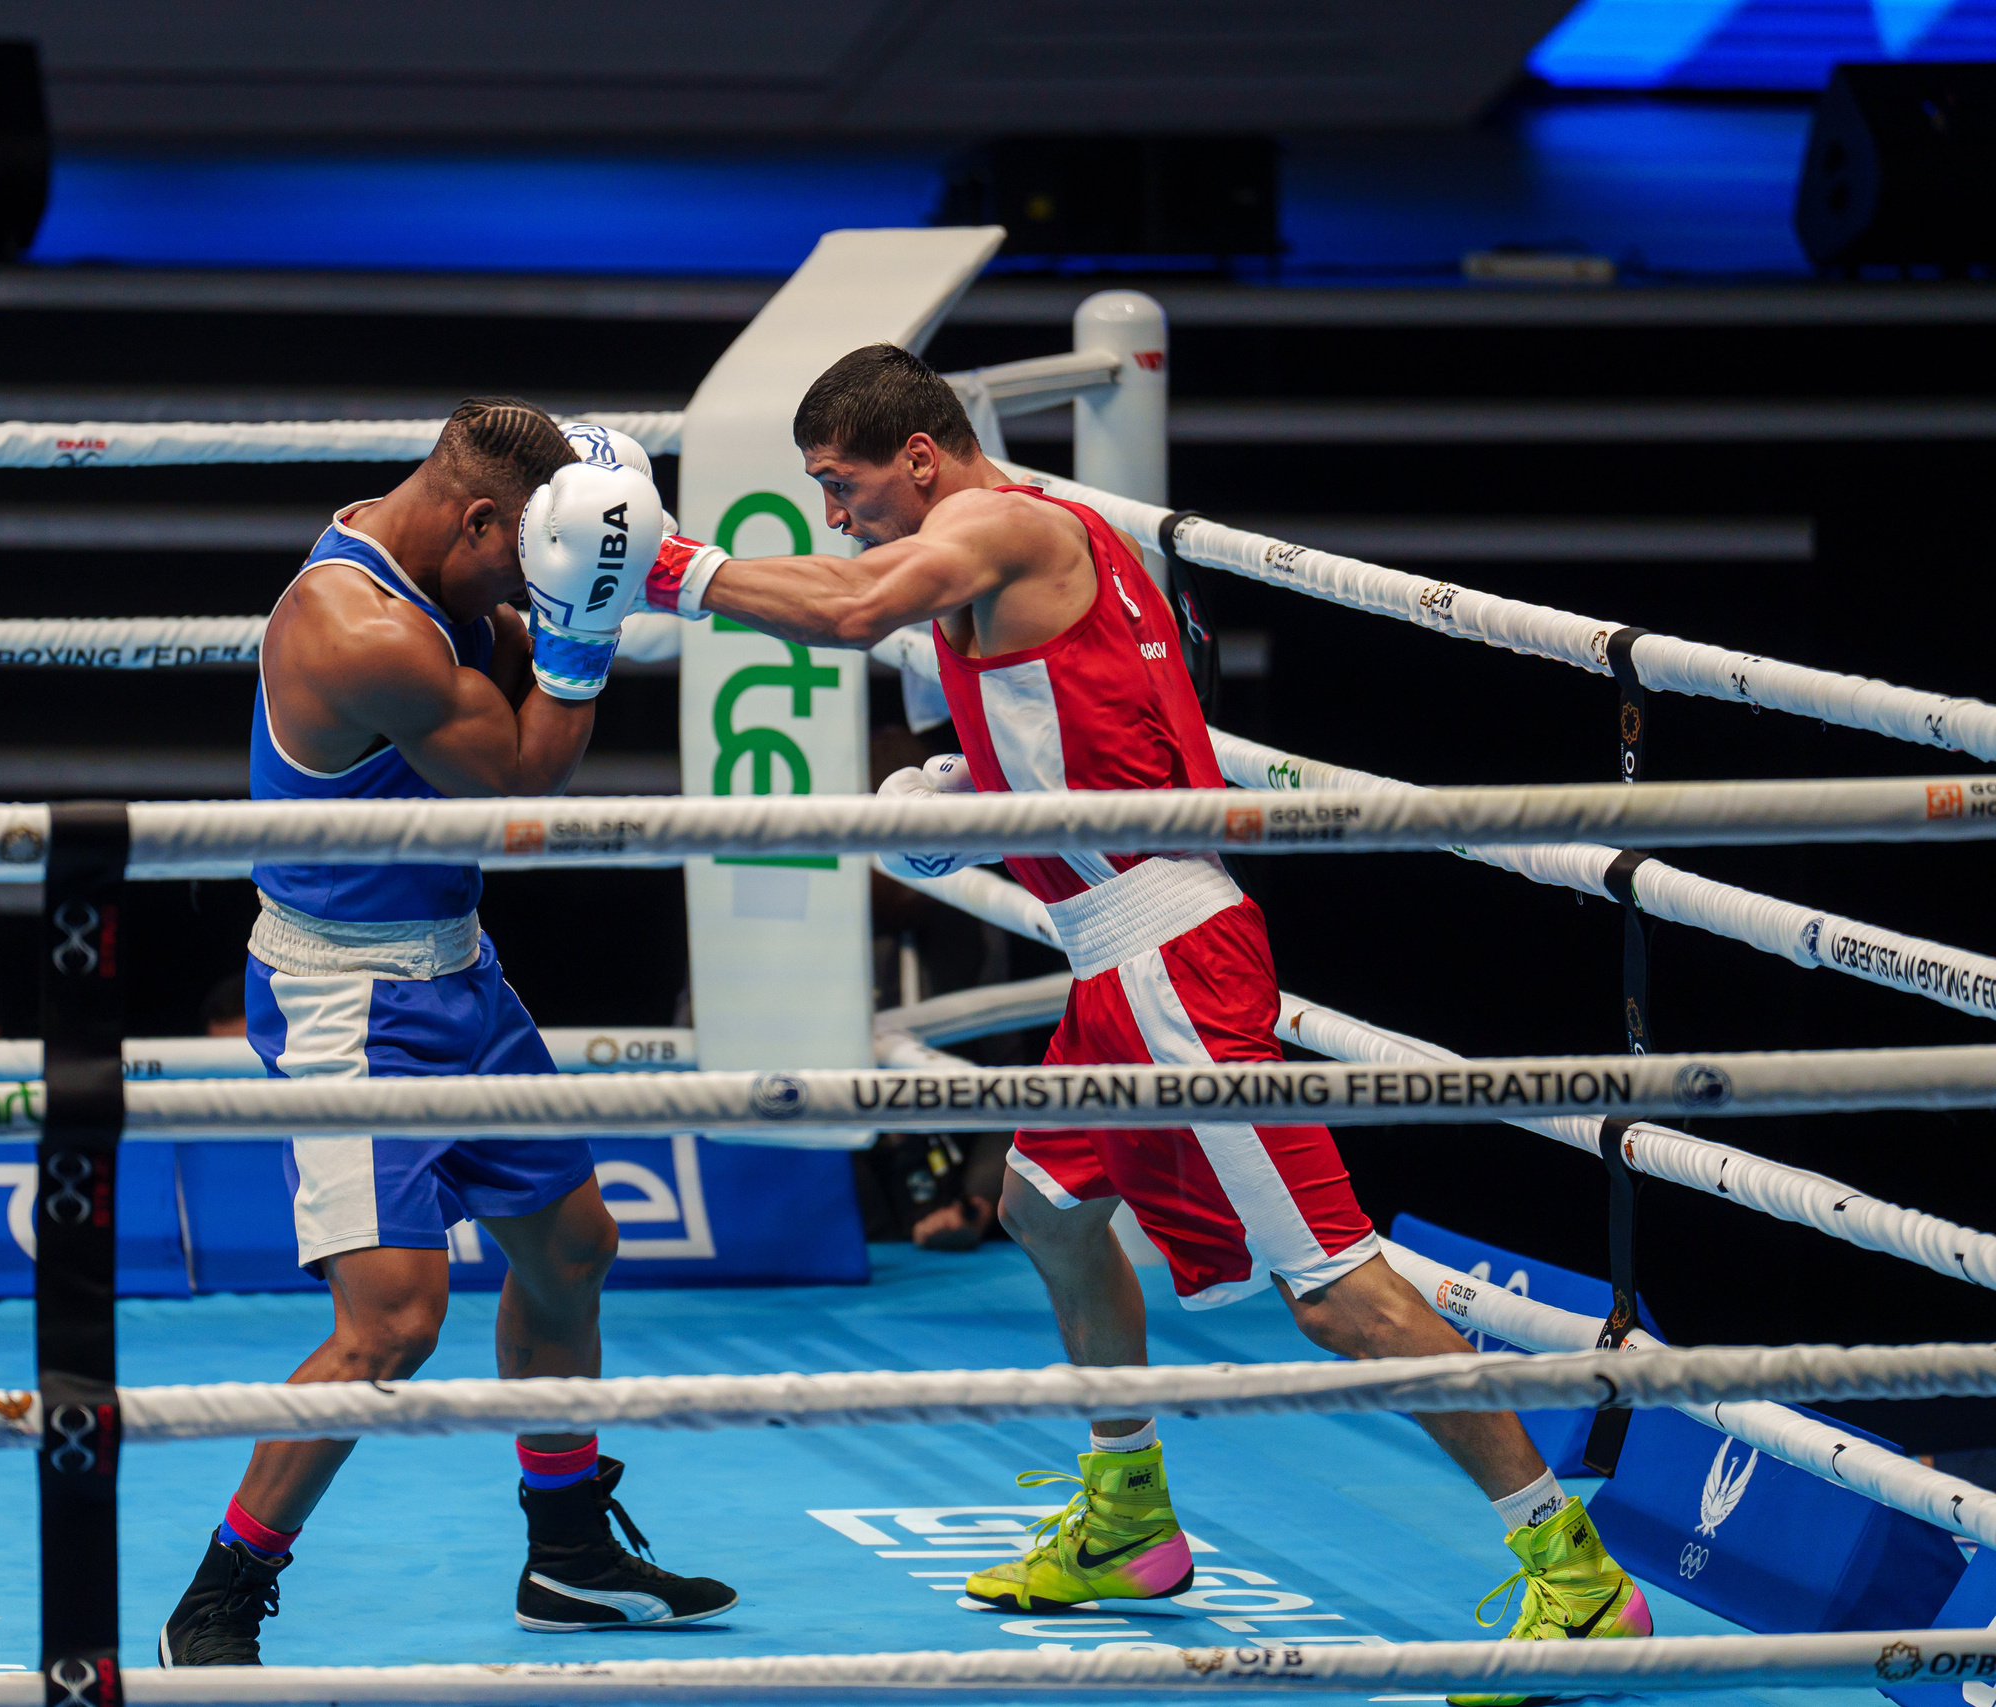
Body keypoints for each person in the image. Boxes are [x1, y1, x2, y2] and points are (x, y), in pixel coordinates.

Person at [641, 344, 1645, 1697]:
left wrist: (665, 568)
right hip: (1113, 955)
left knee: (1338, 1291)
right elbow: (1053, 706)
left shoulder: (989, 520)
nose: (837, 515)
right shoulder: (1037, 530)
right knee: (1046, 1206)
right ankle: (1129, 1520)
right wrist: (963, 788)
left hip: (1172, 958)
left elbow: (854, 606)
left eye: (845, 483)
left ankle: (1573, 1575)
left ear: (921, 458)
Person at [159, 399, 735, 1667]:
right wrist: (584, 638)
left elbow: (526, 630)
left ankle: (570, 1551)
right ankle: (220, 1594)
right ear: (481, 519)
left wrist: (662, 577)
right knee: (392, 1324)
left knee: (572, 1250)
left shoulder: (445, 558)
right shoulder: (358, 626)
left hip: (456, 970)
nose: (519, 593)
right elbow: (524, 783)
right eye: (518, 559)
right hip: (349, 998)